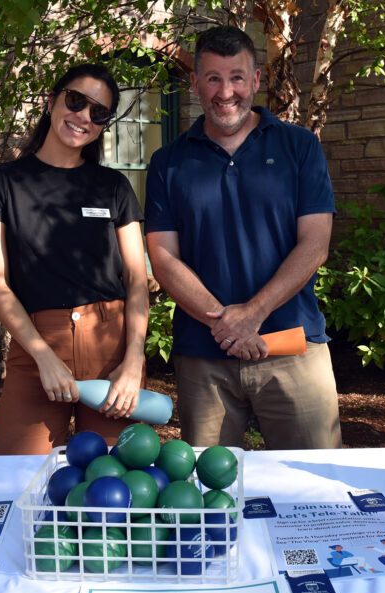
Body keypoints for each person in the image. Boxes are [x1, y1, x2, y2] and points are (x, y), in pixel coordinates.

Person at [144, 25, 341, 450]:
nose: (225, 91)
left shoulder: (300, 147)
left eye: (236, 77)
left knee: (312, 485)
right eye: (213, 77)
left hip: (293, 346)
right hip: (204, 354)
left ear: (255, 80)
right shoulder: (168, 162)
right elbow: (162, 257)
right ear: (194, 83)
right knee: (208, 495)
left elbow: (315, 244)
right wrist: (225, 322)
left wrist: (252, 314)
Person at [0, 63, 149, 455]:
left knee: (113, 485)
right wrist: (43, 356)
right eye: (75, 101)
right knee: (13, 479)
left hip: (112, 352)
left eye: (98, 112)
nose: (83, 116)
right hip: (36, 348)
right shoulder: (1, 183)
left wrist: (133, 361)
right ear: (51, 101)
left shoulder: (113, 187)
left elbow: (137, 278)